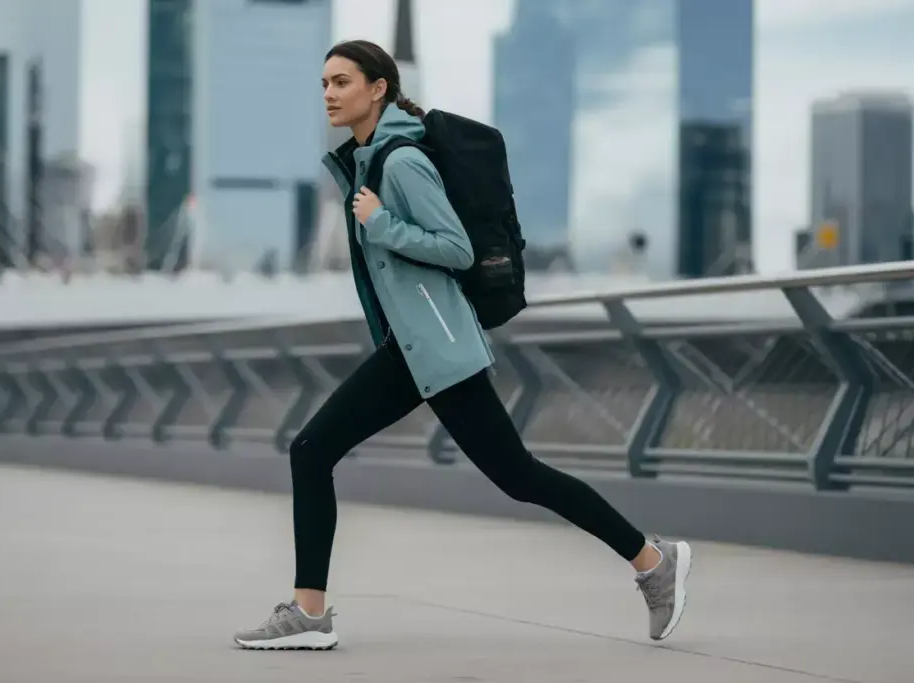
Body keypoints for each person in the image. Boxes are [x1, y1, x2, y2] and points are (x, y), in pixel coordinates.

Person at [233, 39, 692, 651]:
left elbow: (457, 249)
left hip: (439, 348)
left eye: (342, 82)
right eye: (324, 84)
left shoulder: (400, 162)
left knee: (518, 476)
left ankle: (653, 561)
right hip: (412, 348)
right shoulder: (370, 161)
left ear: (378, 89)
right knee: (313, 451)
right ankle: (309, 613)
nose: (329, 95)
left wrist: (381, 223)